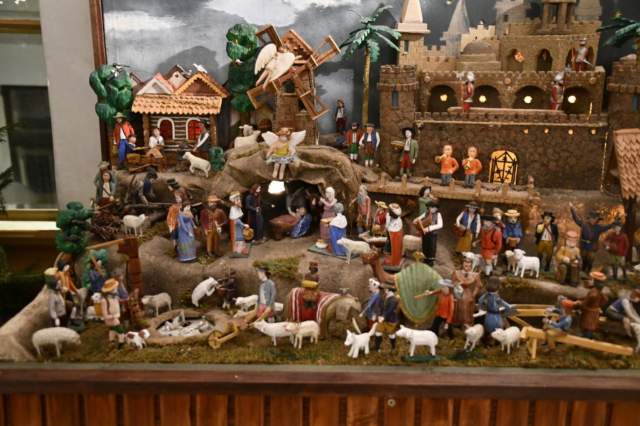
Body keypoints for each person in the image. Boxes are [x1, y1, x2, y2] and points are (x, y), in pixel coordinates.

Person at [569, 203, 616, 273]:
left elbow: (607, 227)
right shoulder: (584, 224)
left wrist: (613, 224)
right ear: (590, 218)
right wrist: (572, 209)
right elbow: (576, 219)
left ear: (597, 219)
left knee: (590, 261)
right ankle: (582, 273)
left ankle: (587, 273)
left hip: (592, 247)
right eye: (592, 218)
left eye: (595, 218)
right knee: (582, 260)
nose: (593, 220)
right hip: (583, 246)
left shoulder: (599, 227)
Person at [451, 257, 483, 327]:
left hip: (468, 294)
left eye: (469, 265)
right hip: (458, 293)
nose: (467, 267)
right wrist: (456, 288)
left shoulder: (475, 275)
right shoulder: (456, 273)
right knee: (458, 307)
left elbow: (479, 285)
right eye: (465, 265)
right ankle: (457, 323)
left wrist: (473, 294)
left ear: (471, 266)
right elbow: (452, 283)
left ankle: (467, 323)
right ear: (462, 264)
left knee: (467, 307)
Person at [413, 198, 443, 266]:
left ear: (436, 208)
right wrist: (415, 220)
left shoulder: (438, 215)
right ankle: (425, 259)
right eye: (430, 207)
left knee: (431, 247)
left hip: (432, 234)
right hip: (425, 234)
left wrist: (429, 228)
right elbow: (419, 218)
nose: (431, 209)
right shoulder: (426, 213)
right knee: (425, 246)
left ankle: (430, 261)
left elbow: (440, 225)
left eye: (433, 207)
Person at [579, 271, 609, 339]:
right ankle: (587, 337)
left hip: (589, 312)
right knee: (590, 327)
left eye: (591, 279)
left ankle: (586, 339)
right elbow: (605, 300)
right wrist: (598, 306)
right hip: (595, 312)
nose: (589, 281)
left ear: (595, 281)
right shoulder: (599, 291)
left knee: (587, 326)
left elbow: (586, 302)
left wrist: (580, 305)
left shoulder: (593, 291)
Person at [374, 285, 399, 352]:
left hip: (390, 320)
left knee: (391, 335)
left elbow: (390, 310)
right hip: (382, 320)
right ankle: (377, 348)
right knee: (378, 332)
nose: (385, 290)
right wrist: (379, 315)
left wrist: (383, 316)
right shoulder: (385, 297)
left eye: (386, 289)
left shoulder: (393, 299)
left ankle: (393, 348)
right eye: (385, 289)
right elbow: (381, 307)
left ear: (390, 291)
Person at [101, 278, 125, 346]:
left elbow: (117, 305)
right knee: (120, 330)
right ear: (111, 290)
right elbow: (105, 315)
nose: (116, 289)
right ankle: (121, 343)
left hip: (115, 317)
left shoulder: (115, 297)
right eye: (115, 288)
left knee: (112, 330)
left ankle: (112, 342)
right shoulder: (104, 301)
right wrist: (114, 316)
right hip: (111, 319)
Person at [229, 191, 250, 257]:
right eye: (237, 200)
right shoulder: (233, 209)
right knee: (239, 238)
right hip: (236, 228)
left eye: (239, 199)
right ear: (234, 201)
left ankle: (242, 250)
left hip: (239, 227)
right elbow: (236, 220)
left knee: (242, 238)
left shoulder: (238, 208)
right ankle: (238, 252)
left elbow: (239, 217)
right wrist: (243, 225)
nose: (239, 201)